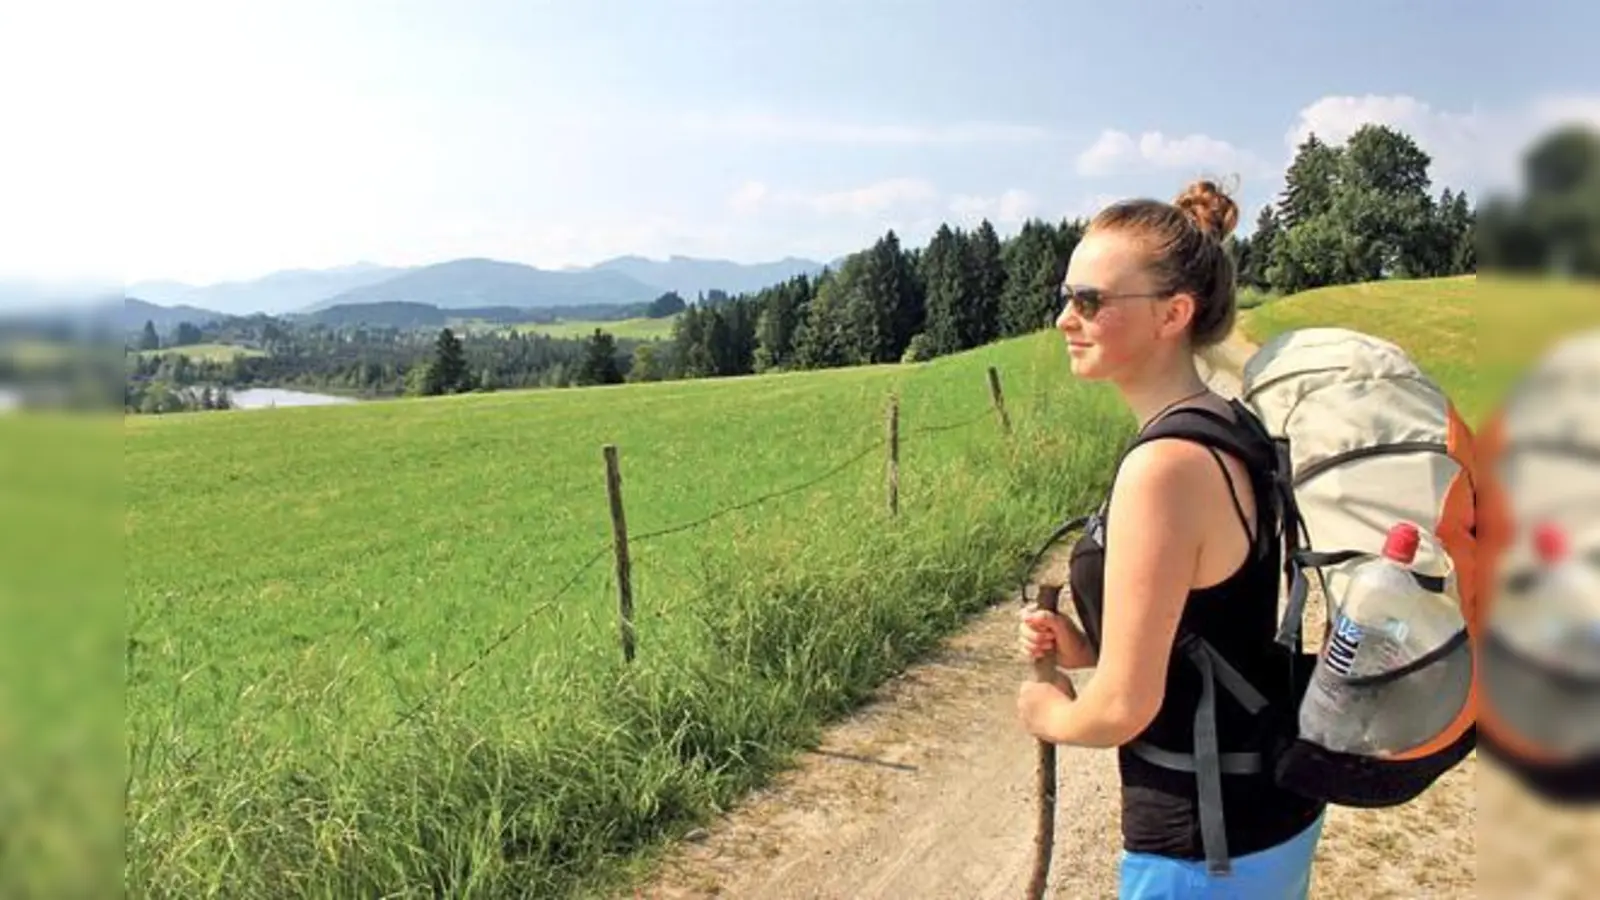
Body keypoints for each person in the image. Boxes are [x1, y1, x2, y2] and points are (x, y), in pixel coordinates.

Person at [1015, 179, 1327, 898]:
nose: (1067, 317)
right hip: (1263, 813)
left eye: (1090, 300)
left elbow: (1123, 708)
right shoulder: (1227, 424)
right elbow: (1213, 621)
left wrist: (1051, 713)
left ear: (1173, 314)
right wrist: (1085, 646)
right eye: (1066, 295)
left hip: (1205, 847)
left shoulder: (1163, 467)